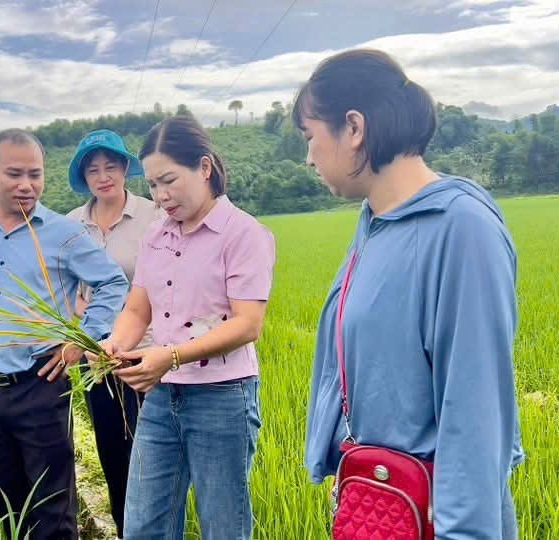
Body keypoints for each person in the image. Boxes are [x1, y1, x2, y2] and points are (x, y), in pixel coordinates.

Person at [297, 49, 523, 538]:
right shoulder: (375, 223)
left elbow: (475, 411)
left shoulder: (461, 228)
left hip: (438, 515)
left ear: (353, 127)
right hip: (381, 499)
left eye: (309, 136)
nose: (308, 156)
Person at [0, 128, 129, 539]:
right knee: (4, 506)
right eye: (14, 174)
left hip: (41, 384)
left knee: (53, 511)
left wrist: (80, 340)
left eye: (35, 174)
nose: (26, 185)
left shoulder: (63, 233)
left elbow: (112, 282)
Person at [95, 116, 276, 538]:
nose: (160, 196)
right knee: (143, 526)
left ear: (204, 167)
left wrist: (172, 356)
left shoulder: (243, 233)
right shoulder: (156, 235)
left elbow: (248, 324)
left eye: (169, 180)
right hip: (162, 398)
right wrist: (114, 344)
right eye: (152, 185)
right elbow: (137, 310)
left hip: (222, 397)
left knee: (222, 526)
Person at [65, 129, 164, 538]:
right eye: (93, 170)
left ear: (125, 168)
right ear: (83, 177)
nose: (103, 176)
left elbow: (167, 280)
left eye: (110, 166)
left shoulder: (153, 215)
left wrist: (127, 321)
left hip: (145, 354)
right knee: (111, 451)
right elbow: (65, 287)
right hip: (96, 358)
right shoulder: (71, 225)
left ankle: (155, 528)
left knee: (151, 453)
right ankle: (126, 529)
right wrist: (85, 312)